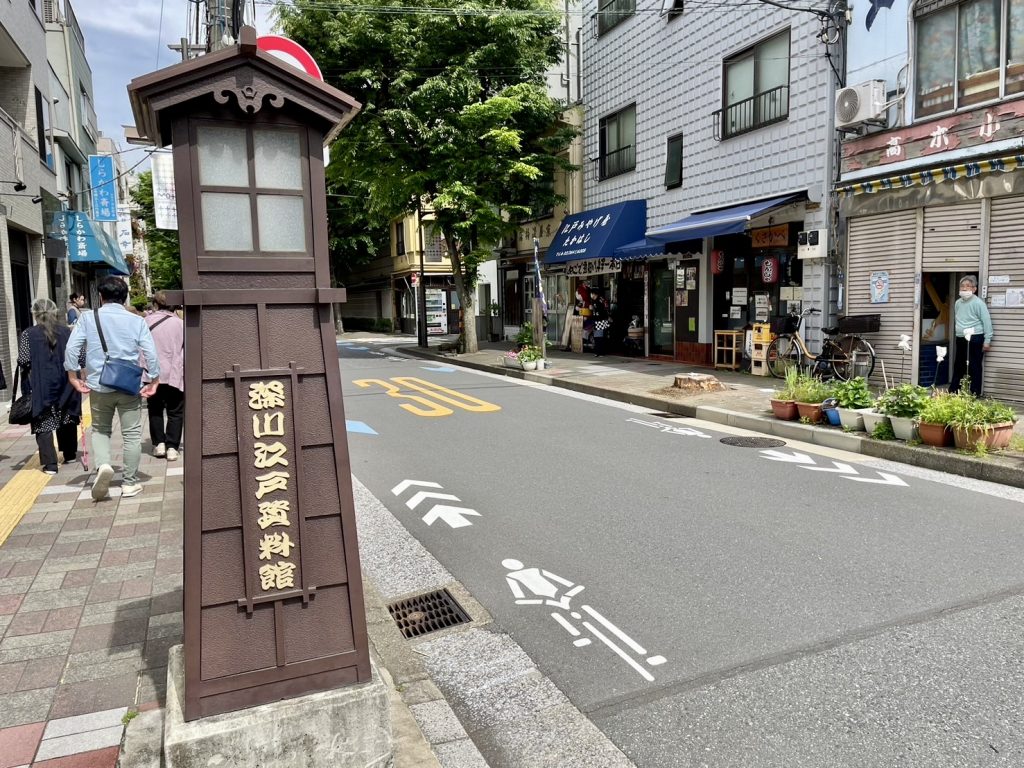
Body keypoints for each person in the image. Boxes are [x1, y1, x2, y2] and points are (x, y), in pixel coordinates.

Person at [65, 276, 160, 500]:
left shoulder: (88, 318)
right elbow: (151, 353)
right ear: (125, 297)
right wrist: (154, 379)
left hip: (99, 384)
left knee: (100, 430)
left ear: (100, 296)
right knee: (132, 434)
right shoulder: (137, 321)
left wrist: (73, 375)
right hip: (129, 385)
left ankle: (104, 465)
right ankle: (129, 483)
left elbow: (71, 348)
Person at [18, 299, 82, 474]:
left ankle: (51, 464)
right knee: (66, 416)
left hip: (41, 384)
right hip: (66, 381)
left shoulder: (28, 334)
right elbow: (80, 356)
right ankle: (69, 454)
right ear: (55, 312)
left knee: (44, 422)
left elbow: (23, 360)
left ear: (35, 314)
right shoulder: (67, 332)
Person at [144, 292, 185, 462]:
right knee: (175, 410)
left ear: (155, 304)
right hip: (174, 372)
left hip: (151, 373)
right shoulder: (180, 324)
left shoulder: (146, 321)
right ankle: (172, 447)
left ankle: (159, 444)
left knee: (154, 408)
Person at [949, 275, 992, 397]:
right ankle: (954, 391)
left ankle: (974, 393)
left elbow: (987, 321)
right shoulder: (957, 303)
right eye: (962, 286)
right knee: (959, 365)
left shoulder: (979, 303)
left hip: (975, 337)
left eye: (968, 286)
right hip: (960, 337)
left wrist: (987, 340)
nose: (964, 288)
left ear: (974, 289)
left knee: (974, 365)